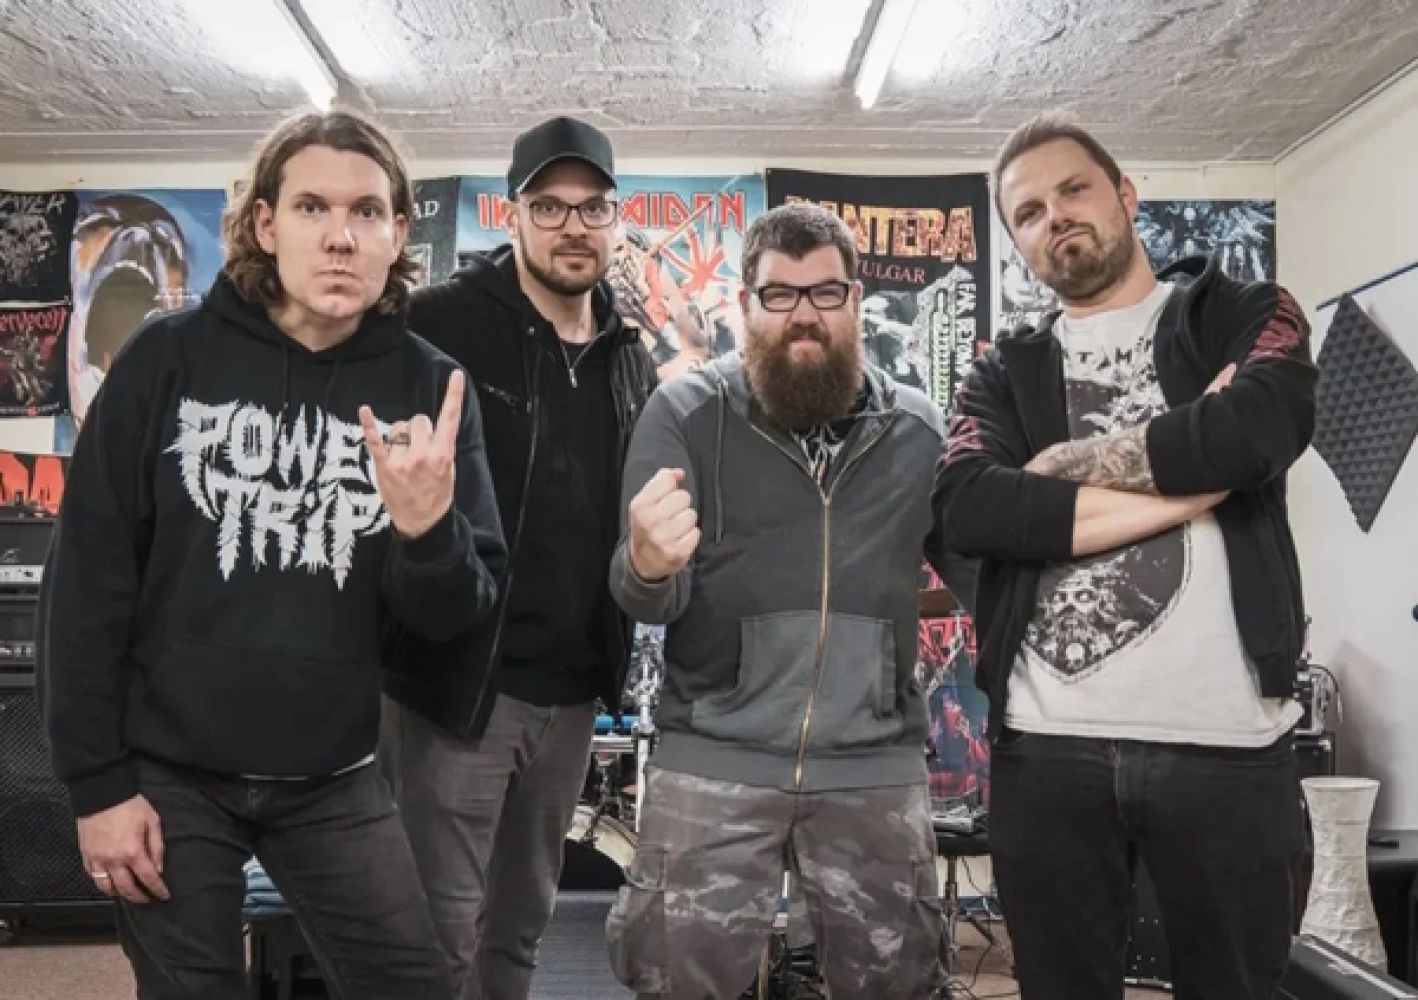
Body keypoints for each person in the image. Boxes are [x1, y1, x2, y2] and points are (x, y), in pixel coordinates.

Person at [40, 109, 506, 999]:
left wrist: (425, 529)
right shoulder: (166, 359)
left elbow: (453, 617)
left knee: (417, 984)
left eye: (367, 212)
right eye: (311, 208)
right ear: (265, 223)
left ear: (397, 233)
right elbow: (86, 586)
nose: (340, 237)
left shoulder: (429, 387)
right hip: (171, 771)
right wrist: (97, 787)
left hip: (334, 775)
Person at [938, 111, 1315, 999]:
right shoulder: (1000, 372)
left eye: (1073, 189)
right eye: (1028, 212)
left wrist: (1060, 468)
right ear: (1019, 243)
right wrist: (1195, 480)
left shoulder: (1245, 313)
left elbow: (1257, 430)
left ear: (1126, 195)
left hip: (1228, 741)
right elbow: (970, 507)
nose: (1055, 217)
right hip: (1049, 750)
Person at [606, 202, 950, 1000]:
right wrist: (648, 564)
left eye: (825, 293)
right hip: (712, 761)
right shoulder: (685, 413)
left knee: (902, 988)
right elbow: (644, 595)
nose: (804, 315)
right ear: (744, 304)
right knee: (678, 987)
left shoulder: (918, 430)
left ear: (855, 300)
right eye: (780, 294)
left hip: (872, 768)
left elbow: (984, 577)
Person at [379, 115, 657, 1000]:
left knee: (521, 926)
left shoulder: (627, 355)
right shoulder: (440, 325)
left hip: (571, 696)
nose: (574, 226)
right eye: (550, 206)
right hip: (460, 686)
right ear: (513, 215)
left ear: (615, 219)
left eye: (593, 207)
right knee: (439, 935)